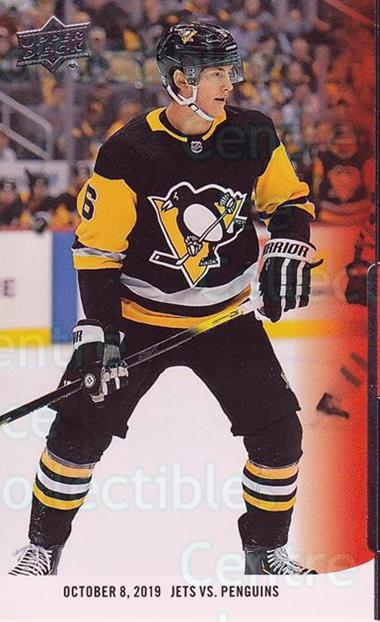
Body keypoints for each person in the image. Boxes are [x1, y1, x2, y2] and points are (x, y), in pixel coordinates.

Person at [9, 23, 319, 576]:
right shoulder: (129, 150)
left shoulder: (252, 133)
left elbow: (288, 201)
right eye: (218, 73)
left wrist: (289, 243)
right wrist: (101, 333)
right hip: (139, 317)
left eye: (230, 71)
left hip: (226, 317)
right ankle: (42, 549)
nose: (230, 84)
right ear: (181, 81)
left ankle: (265, 553)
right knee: (76, 431)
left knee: (279, 434)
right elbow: (98, 251)